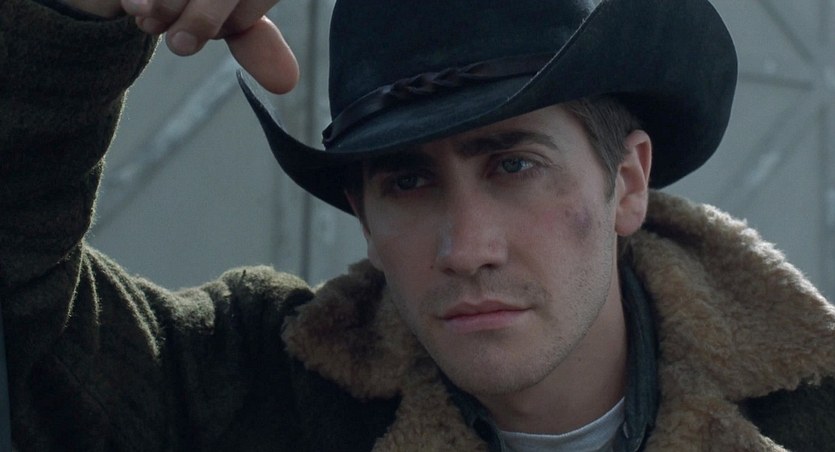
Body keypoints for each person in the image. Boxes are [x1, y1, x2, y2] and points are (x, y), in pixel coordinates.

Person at [2, 0, 835, 450]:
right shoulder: (250, 389)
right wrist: (71, 20)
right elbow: (22, 304)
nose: (465, 249)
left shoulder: (812, 413)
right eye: (407, 180)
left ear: (626, 182)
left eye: (512, 165)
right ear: (363, 215)